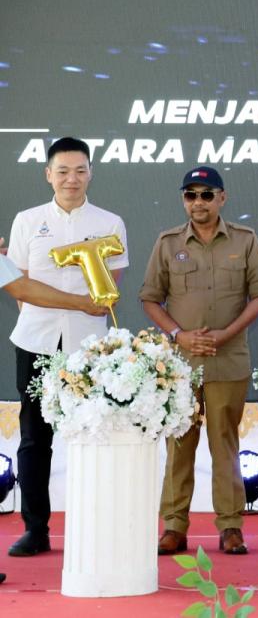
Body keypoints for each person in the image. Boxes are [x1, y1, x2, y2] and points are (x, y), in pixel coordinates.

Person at [140, 166, 258, 556]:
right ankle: (174, 527)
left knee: (224, 445)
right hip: (180, 366)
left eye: (206, 194)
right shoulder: (167, 243)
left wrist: (226, 333)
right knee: (178, 446)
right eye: (191, 195)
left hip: (228, 361)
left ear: (222, 198)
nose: (198, 202)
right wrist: (178, 335)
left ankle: (230, 526)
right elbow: (150, 298)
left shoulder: (245, 240)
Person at [7, 137, 129, 557]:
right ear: (48, 174)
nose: (71, 179)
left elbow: (108, 292)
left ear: (91, 173)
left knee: (95, 434)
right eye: (62, 171)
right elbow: (19, 286)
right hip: (35, 342)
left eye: (79, 170)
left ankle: (95, 528)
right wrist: (67, 304)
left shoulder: (110, 222)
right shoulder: (27, 220)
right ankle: (35, 529)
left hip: (89, 348)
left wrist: (75, 306)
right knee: (34, 439)